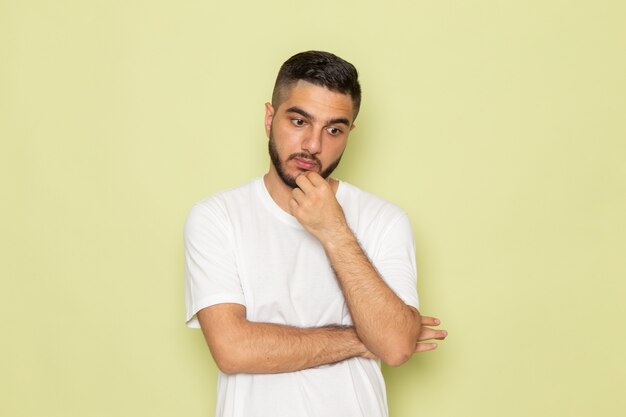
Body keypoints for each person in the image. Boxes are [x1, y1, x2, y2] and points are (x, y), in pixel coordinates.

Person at [184, 50, 447, 417]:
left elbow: (395, 347)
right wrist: (363, 339)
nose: (312, 145)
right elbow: (233, 350)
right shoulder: (216, 217)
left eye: (333, 129)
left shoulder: (384, 220)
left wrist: (334, 230)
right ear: (269, 117)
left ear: (350, 133)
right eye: (298, 121)